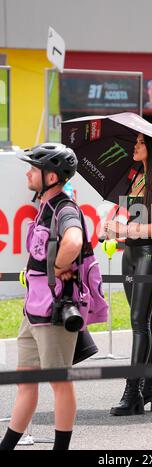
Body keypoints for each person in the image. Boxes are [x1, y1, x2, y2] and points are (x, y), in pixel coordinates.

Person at [0, 143, 83, 451]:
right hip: (32, 311)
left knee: (60, 383)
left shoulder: (65, 208)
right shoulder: (44, 209)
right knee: (25, 383)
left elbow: (74, 241)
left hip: (53, 313)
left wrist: (57, 268)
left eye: (34, 169)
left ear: (51, 177)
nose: (28, 172)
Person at [104, 133, 152, 415]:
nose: (135, 146)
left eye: (141, 142)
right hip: (130, 254)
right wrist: (111, 227)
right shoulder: (135, 177)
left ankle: (132, 391)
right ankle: (149, 390)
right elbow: (129, 217)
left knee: (138, 322)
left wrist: (129, 230)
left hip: (150, 254)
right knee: (146, 321)